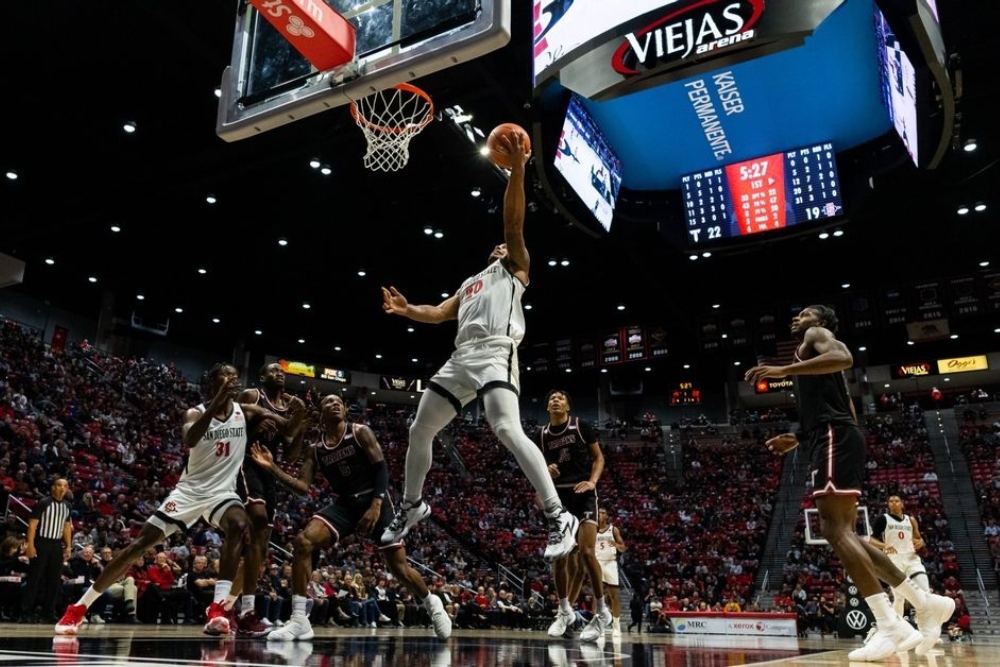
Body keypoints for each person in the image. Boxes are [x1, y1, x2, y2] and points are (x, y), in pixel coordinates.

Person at [378, 131, 578, 562]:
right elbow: (439, 313)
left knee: (506, 428)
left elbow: (513, 223)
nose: (504, 244)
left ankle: (558, 516)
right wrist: (407, 308)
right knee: (419, 428)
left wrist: (519, 168)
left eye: (509, 245)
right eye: (502, 246)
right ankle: (413, 505)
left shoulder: (516, 268)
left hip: (495, 352)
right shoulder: (472, 282)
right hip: (459, 359)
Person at [745, 305, 955, 661]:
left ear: (823, 322)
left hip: (833, 439)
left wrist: (784, 369)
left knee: (834, 530)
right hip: (832, 437)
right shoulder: (814, 361)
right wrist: (798, 437)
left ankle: (890, 625)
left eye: (807, 313)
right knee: (845, 533)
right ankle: (924, 604)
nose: (797, 317)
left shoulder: (816, 337)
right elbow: (845, 410)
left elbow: (844, 357)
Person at [54, 362, 284, 637]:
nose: (232, 382)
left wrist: (298, 415)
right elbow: (190, 438)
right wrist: (216, 402)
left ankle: (219, 609)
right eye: (226, 377)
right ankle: (78, 608)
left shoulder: (243, 412)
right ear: (213, 383)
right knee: (138, 546)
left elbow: (282, 421)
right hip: (188, 492)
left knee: (240, 525)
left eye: (235, 378)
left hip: (222, 492)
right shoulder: (195, 412)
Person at [252, 392, 452, 641]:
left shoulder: (360, 432)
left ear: (345, 410)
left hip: (376, 499)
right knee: (304, 542)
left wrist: (377, 504)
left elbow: (381, 468)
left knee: (398, 568)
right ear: (321, 412)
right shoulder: (316, 449)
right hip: (346, 505)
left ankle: (432, 604)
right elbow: (302, 488)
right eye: (328, 402)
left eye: (338, 402)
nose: (334, 404)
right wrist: (272, 467)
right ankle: (299, 620)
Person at [535, 389, 610, 643]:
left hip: (583, 493)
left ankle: (601, 612)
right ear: (547, 407)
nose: (555, 400)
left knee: (587, 553)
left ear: (567, 406)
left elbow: (599, 457)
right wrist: (546, 472)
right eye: (551, 398)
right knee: (560, 556)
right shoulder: (542, 435)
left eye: (560, 398)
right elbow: (538, 471)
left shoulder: (580, 426)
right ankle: (564, 610)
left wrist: (592, 481)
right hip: (559, 498)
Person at [233, 362, 306, 619]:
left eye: (282, 371)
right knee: (259, 519)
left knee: (261, 548)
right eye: (274, 370)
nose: (279, 373)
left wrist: (301, 425)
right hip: (244, 462)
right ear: (262, 376)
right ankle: (245, 609)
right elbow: (227, 422)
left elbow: (290, 454)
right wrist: (253, 427)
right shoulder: (253, 395)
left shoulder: (288, 408)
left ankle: (238, 605)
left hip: (268, 470)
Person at [869, 494, 931, 618]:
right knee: (899, 597)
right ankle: (899, 630)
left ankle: (927, 626)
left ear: (902, 504)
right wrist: (884, 546)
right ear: (888, 504)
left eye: (896, 501)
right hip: (893, 560)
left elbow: (918, 538)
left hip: (911, 559)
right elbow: (871, 540)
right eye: (890, 501)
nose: (893, 503)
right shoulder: (883, 519)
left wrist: (921, 542)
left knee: (926, 591)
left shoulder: (911, 520)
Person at [21, 477, 73, 623]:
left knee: (54, 581)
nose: (62, 488)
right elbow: (32, 525)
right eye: (59, 485)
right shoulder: (43, 503)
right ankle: (26, 612)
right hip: (41, 543)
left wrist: (68, 546)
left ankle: (48, 613)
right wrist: (30, 545)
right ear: (53, 487)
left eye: (65, 486)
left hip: (56, 545)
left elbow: (66, 527)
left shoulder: (68, 506)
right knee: (35, 579)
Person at [595, 507, 627, 639]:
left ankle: (616, 626)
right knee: (598, 597)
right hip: (597, 563)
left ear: (607, 516)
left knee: (614, 596)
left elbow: (623, 548)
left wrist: (616, 545)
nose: (600, 515)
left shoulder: (613, 529)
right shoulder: (592, 530)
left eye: (603, 513)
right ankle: (599, 626)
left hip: (610, 563)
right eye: (599, 513)